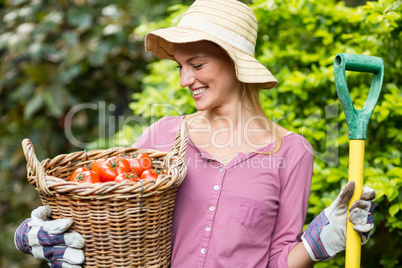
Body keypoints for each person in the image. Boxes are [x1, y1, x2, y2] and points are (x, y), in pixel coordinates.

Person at [14, 0, 376, 267]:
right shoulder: (162, 137)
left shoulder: (292, 151)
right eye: (180, 67)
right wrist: (33, 234)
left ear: (236, 62)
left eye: (197, 64)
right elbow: (99, 210)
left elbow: (280, 259)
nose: (186, 80)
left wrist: (319, 242)